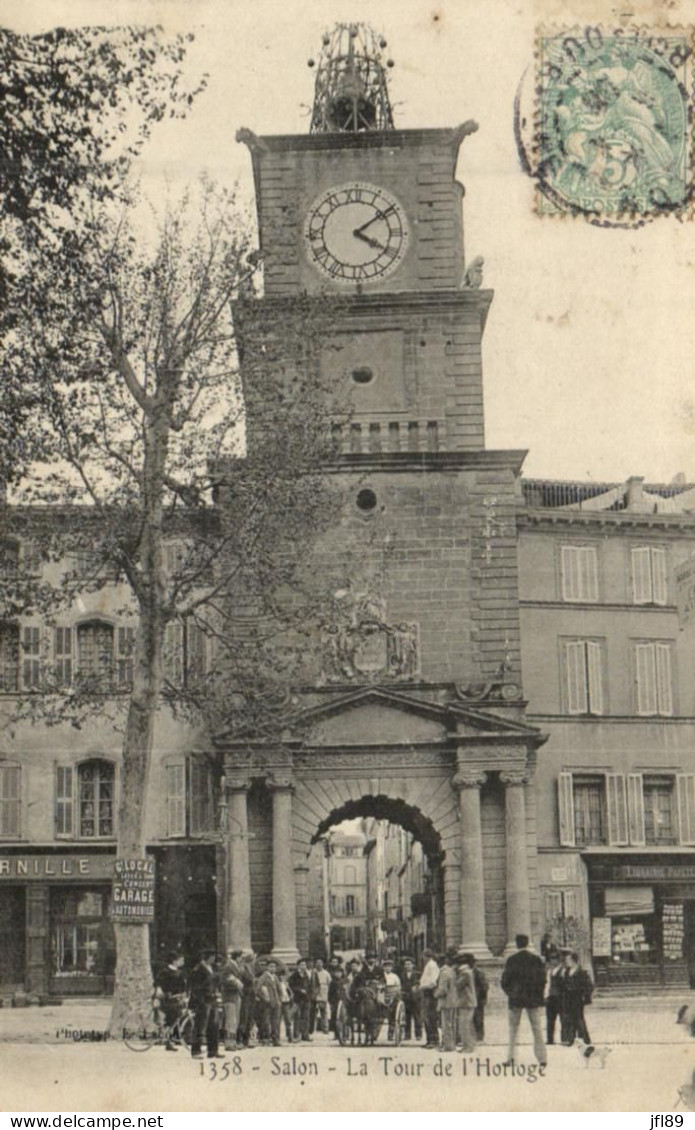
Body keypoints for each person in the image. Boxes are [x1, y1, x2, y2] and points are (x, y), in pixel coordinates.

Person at [500, 934, 548, 1067]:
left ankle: (511, 1058)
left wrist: (511, 994)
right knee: (537, 1029)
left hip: (516, 1000)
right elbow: (543, 980)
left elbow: (504, 981)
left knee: (513, 1030)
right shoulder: (536, 959)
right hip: (533, 999)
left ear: (516, 944)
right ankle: (542, 1059)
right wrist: (538, 995)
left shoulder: (511, 960)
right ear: (527, 944)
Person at [189, 947, 222, 1059]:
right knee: (200, 1026)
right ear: (207, 957)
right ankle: (196, 1050)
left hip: (212, 1000)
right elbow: (195, 988)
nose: (214, 959)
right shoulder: (198, 969)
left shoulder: (211, 968)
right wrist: (200, 1000)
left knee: (214, 1025)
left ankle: (213, 1050)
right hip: (203, 1001)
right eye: (212, 957)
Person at [154, 950, 187, 1051]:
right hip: (166, 998)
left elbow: (182, 986)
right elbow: (158, 984)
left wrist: (183, 994)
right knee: (173, 1014)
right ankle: (166, 1034)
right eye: (180, 960)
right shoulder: (165, 972)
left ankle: (168, 1038)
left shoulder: (180, 972)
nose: (182, 961)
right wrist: (160, 993)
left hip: (176, 998)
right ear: (174, 961)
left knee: (177, 1016)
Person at [559, 951, 593, 1045]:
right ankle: (570, 1038)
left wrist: (585, 996)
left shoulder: (581, 972)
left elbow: (588, 986)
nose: (566, 961)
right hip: (567, 998)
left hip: (577, 997)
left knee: (579, 1018)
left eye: (568, 959)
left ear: (574, 960)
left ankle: (585, 1039)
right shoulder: (566, 971)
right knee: (569, 1018)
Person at [219, 949, 244, 1052]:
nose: (242, 959)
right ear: (237, 957)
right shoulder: (229, 966)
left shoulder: (234, 966)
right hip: (230, 996)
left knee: (234, 1020)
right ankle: (229, 1043)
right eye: (241, 957)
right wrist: (238, 983)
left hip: (235, 996)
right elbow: (227, 979)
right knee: (231, 1020)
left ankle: (233, 1042)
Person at [435, 949, 458, 1052]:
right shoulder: (452, 971)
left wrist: (435, 994)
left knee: (446, 1025)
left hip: (446, 1002)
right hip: (453, 1001)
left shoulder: (443, 973)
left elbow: (443, 990)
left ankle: (448, 1046)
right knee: (451, 1024)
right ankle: (451, 1045)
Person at [256, 957, 282, 1046]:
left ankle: (275, 1039)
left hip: (276, 1002)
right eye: (271, 967)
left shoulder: (275, 977)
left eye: (274, 967)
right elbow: (258, 989)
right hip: (267, 1003)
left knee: (276, 1021)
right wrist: (264, 998)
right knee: (266, 1021)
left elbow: (279, 989)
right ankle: (265, 1038)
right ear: (267, 968)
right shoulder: (263, 977)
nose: (273, 968)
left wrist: (279, 999)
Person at [455, 953, 477, 1053]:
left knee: (465, 1025)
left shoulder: (464, 973)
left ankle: (468, 1047)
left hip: (466, 1002)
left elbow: (458, 985)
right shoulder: (468, 972)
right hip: (468, 1002)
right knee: (467, 1024)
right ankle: (469, 1046)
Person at [419, 948, 441, 1048]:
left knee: (430, 1017)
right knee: (427, 1017)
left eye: (423, 956)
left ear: (427, 956)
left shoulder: (432, 966)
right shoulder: (429, 965)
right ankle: (430, 1040)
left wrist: (422, 987)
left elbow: (433, 982)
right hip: (426, 992)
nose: (422, 958)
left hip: (429, 993)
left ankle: (434, 1040)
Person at [544, 947, 564, 1045]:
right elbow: (547, 984)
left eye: (554, 958)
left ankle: (564, 1038)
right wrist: (546, 996)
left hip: (560, 997)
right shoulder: (549, 971)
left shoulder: (563, 970)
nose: (553, 961)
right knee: (550, 1019)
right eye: (551, 958)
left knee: (563, 1018)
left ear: (559, 959)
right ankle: (550, 1039)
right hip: (551, 997)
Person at [289, 958, 312, 1042]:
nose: (303, 966)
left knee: (306, 1017)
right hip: (298, 999)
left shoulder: (307, 975)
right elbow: (291, 985)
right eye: (302, 965)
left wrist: (309, 993)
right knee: (297, 1017)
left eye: (305, 965)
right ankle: (296, 1035)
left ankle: (305, 1035)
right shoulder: (294, 975)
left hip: (306, 999)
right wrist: (299, 990)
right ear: (298, 966)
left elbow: (310, 985)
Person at [238, 951, 257, 1048]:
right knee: (244, 1017)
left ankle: (247, 1039)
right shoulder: (242, 969)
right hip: (245, 996)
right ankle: (241, 1039)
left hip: (251, 996)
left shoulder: (251, 969)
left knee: (249, 1017)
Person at [400, 957, 422, 1042]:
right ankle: (407, 1034)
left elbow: (419, 984)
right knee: (407, 1017)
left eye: (409, 964)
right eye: (406, 964)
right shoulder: (402, 974)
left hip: (415, 998)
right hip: (406, 998)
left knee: (417, 1017)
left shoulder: (418, 974)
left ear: (413, 965)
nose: (407, 966)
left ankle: (418, 1034)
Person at [382, 957, 402, 1039]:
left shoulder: (395, 976)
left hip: (392, 996)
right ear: (383, 968)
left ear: (392, 968)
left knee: (393, 1012)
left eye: (389, 966)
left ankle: (391, 1032)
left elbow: (398, 987)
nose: (387, 968)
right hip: (383, 995)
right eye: (386, 966)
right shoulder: (381, 976)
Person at [470, 955, 488, 1043]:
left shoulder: (478, 973)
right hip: (473, 998)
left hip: (478, 999)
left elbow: (484, 987)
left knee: (479, 1018)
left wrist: (481, 998)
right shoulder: (471, 972)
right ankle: (475, 1035)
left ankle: (479, 1036)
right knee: (474, 1017)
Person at [310, 957, 331, 1034]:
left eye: (320, 963)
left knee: (323, 1012)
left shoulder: (326, 973)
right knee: (312, 1012)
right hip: (314, 995)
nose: (319, 965)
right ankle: (311, 1029)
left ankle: (325, 1028)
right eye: (317, 963)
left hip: (323, 994)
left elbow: (329, 983)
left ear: (322, 964)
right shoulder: (312, 973)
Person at [277, 967, 294, 1043]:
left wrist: (290, 995)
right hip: (280, 1002)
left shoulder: (286, 984)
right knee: (278, 1020)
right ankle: (277, 1037)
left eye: (284, 976)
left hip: (286, 1002)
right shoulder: (277, 983)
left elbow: (290, 992)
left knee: (288, 1020)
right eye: (281, 976)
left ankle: (290, 1036)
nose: (283, 977)